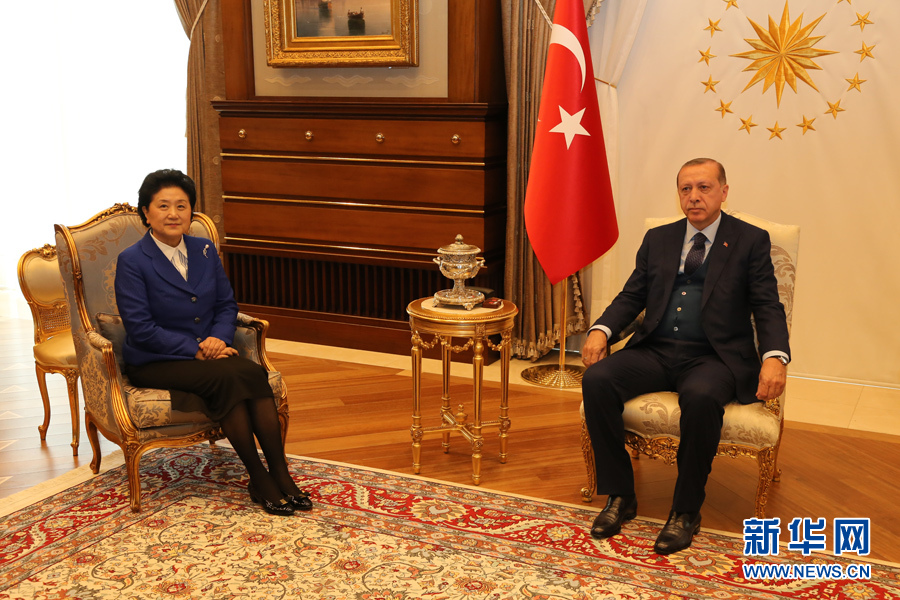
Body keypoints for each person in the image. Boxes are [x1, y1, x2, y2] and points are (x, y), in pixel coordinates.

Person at [581, 158, 789, 554]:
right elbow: (632, 295)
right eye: (685, 189)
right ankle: (620, 496)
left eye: (704, 187)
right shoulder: (658, 238)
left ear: (723, 192)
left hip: (714, 357)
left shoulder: (749, 240)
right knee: (597, 379)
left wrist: (775, 356)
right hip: (656, 350)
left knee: (702, 396)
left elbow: (767, 305)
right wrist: (601, 330)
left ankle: (685, 511)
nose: (694, 196)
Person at [115, 169, 312, 517]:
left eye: (181, 206)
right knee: (231, 377)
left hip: (211, 351)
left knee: (250, 373)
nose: (173, 214)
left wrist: (218, 339)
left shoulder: (203, 249)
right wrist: (196, 348)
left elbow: (225, 305)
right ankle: (259, 478)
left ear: (191, 211)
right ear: (146, 212)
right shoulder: (132, 260)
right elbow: (141, 328)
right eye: (163, 206)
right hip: (156, 359)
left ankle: (278, 473)